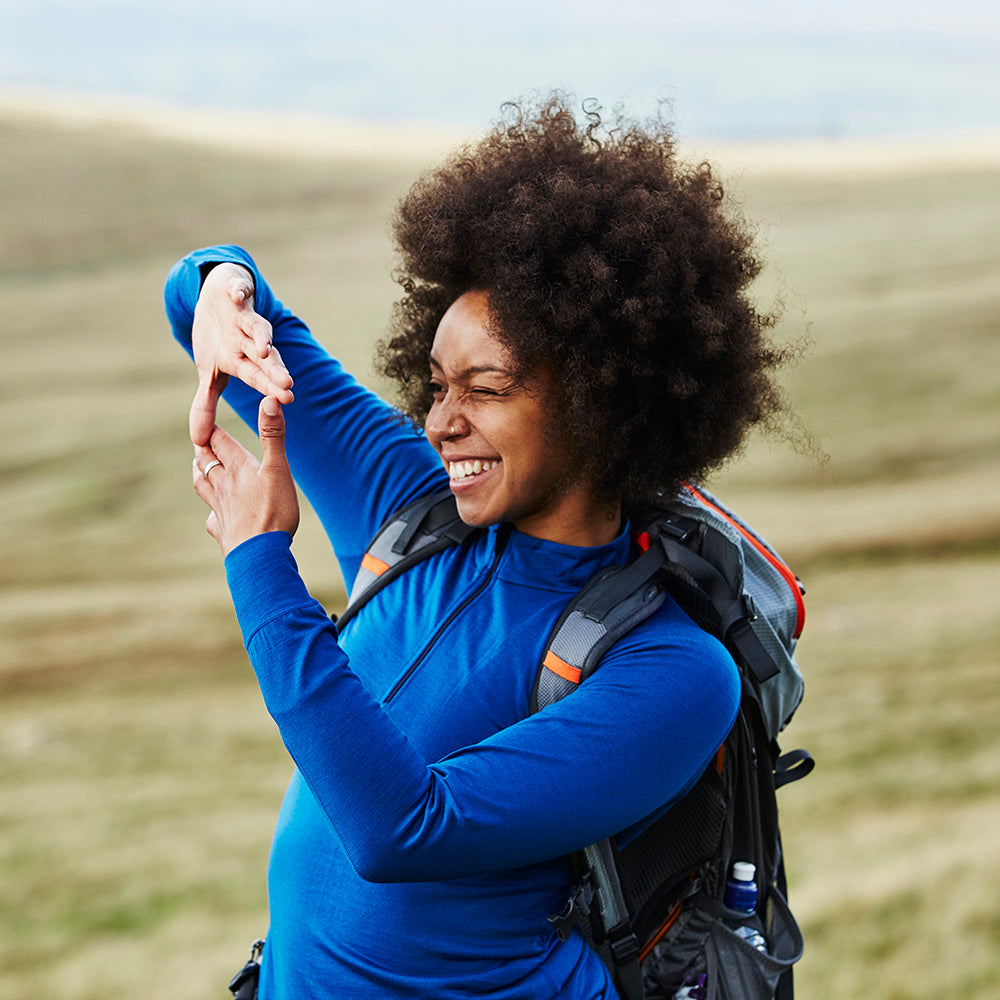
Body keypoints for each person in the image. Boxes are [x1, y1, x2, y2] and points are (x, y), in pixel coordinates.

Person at [164, 96, 791, 999]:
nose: (442, 422)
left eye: (486, 388)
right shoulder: (410, 501)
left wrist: (260, 563)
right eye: (436, 383)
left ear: (600, 402)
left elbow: (403, 829)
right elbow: (209, 291)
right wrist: (222, 291)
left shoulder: (672, 671)